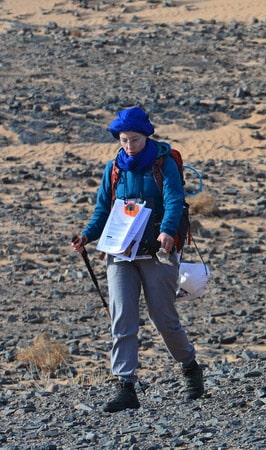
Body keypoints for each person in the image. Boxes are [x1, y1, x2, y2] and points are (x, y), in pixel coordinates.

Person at [71, 106, 204, 412]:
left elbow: (173, 199)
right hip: (120, 251)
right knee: (122, 318)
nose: (129, 146)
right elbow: (103, 210)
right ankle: (125, 386)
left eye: (134, 139)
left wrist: (168, 231)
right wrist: (87, 236)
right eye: (123, 140)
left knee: (164, 319)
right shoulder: (114, 167)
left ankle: (190, 367)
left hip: (157, 250)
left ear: (146, 136)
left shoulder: (164, 162)